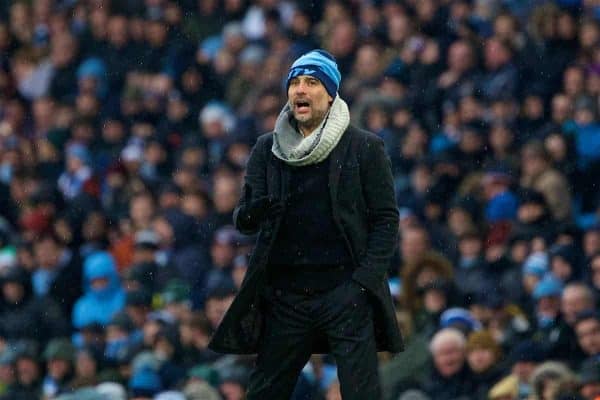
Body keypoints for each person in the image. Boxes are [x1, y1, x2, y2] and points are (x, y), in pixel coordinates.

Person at [208, 49, 402, 399]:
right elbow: (244, 220)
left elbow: (386, 220)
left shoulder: (365, 147)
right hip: (286, 296)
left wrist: (362, 283)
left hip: (345, 291)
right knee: (265, 392)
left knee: (362, 393)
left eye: (311, 82)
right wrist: (255, 212)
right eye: (294, 82)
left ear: (330, 94)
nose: (300, 90)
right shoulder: (266, 149)